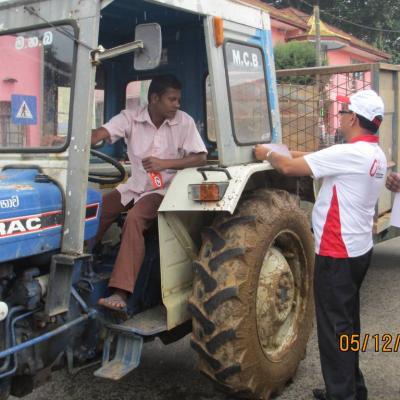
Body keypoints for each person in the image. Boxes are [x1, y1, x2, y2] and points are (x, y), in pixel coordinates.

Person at [254, 90, 387, 400]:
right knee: (348, 323)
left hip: (336, 253)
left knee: (334, 329)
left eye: (342, 112)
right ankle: (354, 388)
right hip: (358, 251)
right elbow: (308, 158)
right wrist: (284, 151)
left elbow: (287, 168)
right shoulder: (374, 154)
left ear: (353, 118)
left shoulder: (349, 154)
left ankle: (342, 394)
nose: (339, 116)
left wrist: (268, 154)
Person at [87, 74, 207, 311]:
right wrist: (75, 139)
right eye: (172, 99)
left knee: (135, 219)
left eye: (178, 99)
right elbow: (102, 133)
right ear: (154, 98)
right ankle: (81, 260)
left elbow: (201, 157)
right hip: (135, 186)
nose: (177, 104)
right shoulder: (130, 118)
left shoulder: (184, 122)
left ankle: (121, 292)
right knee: (95, 210)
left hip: (162, 190)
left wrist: (165, 164)